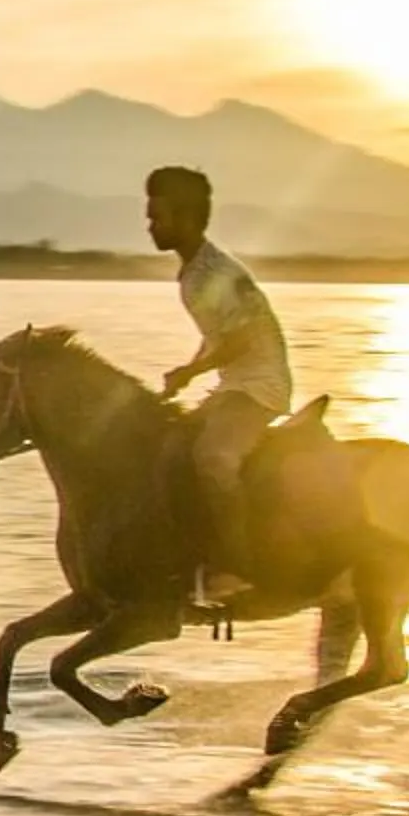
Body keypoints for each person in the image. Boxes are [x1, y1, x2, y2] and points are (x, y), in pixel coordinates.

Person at [144, 165, 291, 608]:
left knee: (214, 458)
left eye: (159, 217)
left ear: (188, 219)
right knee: (167, 447)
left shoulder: (219, 271)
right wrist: (185, 371)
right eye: (150, 216)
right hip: (232, 385)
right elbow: (218, 336)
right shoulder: (191, 273)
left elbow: (244, 338)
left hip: (258, 387)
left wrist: (192, 374)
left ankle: (236, 568)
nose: (150, 225)